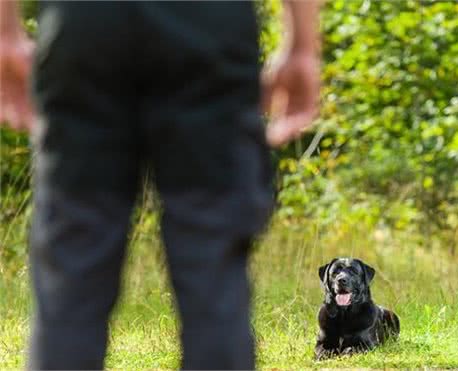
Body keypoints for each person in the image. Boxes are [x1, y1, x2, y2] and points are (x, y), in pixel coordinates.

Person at [0, 1, 320, 369]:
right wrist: (301, 45)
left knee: (73, 268)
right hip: (207, 30)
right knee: (212, 263)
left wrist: (6, 30)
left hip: (87, 25)